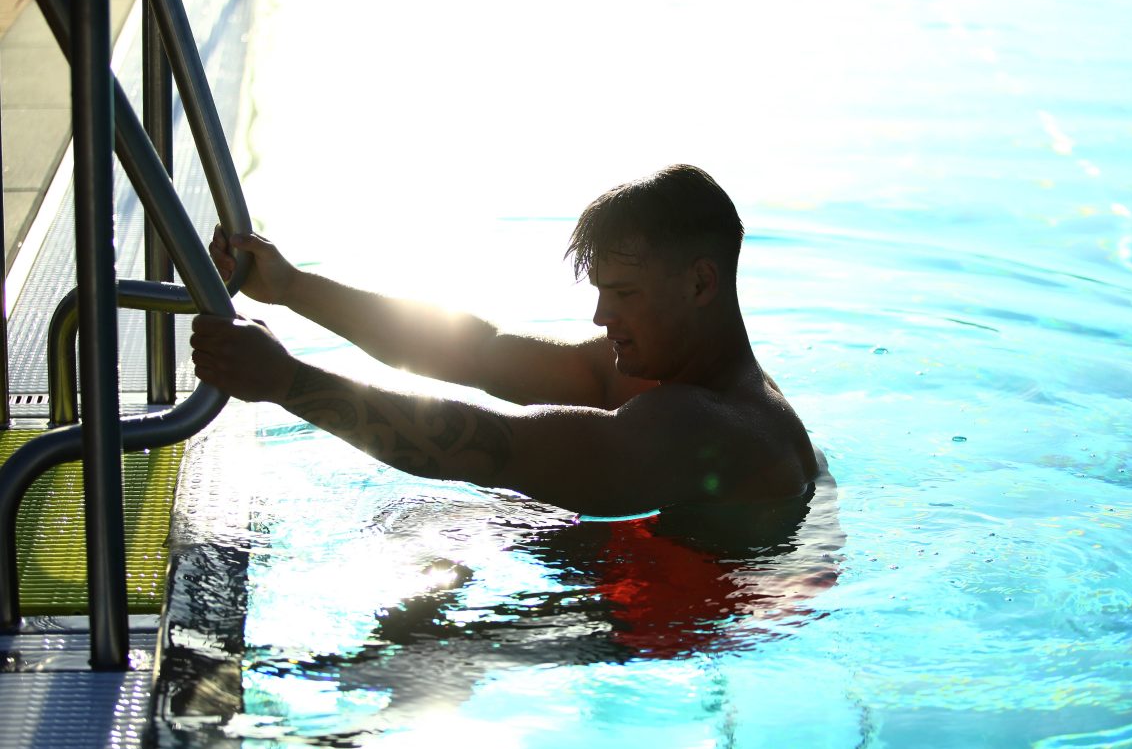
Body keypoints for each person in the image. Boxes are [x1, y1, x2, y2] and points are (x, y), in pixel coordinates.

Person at [191, 164, 825, 519]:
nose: (601, 316)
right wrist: (295, 287)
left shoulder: (711, 425)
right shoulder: (652, 374)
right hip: (621, 588)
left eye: (625, 293)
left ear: (701, 283)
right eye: (601, 291)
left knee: (430, 543)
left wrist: (287, 383)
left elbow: (494, 448)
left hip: (653, 639)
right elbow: (476, 351)